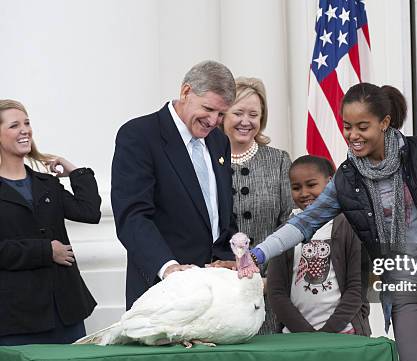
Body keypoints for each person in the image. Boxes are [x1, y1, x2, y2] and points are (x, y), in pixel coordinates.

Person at [252, 83, 417, 361]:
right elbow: (305, 222)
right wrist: (259, 252)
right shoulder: (348, 178)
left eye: (363, 126)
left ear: (384, 123)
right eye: (347, 127)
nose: (353, 135)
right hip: (405, 290)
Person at [111, 60, 238, 309]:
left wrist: (233, 259)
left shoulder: (219, 142)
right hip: (162, 292)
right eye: (209, 109)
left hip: (217, 295)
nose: (214, 121)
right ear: (186, 92)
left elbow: (221, 217)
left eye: (221, 114)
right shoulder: (139, 135)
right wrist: (169, 268)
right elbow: (133, 216)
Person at [0, 99, 101, 345]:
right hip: (15, 318)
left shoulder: (47, 183)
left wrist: (75, 172)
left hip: (64, 312)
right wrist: (45, 251)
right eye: (14, 125)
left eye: (27, 123)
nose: (25, 130)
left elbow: (89, 212)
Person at [219, 77, 292, 334]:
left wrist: (271, 278)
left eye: (254, 114)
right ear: (223, 114)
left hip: (268, 288)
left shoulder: (279, 160)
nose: (245, 121)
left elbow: (288, 223)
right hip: (219, 291)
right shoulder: (205, 159)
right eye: (238, 113)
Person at [267, 155, 370, 336]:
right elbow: (276, 293)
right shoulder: (284, 233)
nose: (304, 193)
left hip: (344, 333)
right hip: (296, 337)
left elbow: (356, 289)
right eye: (296, 188)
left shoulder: (351, 228)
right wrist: (307, 334)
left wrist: (328, 333)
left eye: (311, 185)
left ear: (330, 183)